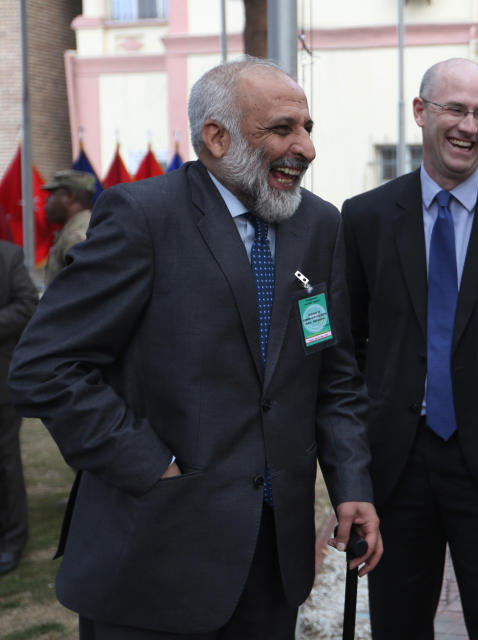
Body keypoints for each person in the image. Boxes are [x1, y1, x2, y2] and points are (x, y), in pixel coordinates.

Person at [8, 57, 382, 638]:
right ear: (217, 136)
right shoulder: (142, 217)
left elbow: (331, 373)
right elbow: (45, 368)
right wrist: (152, 465)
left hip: (271, 568)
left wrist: (352, 485)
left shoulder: (319, 226)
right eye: (283, 129)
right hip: (154, 554)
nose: (306, 148)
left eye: (308, 129)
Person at [341, 57, 478, 639]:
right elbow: (349, 343)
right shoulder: (363, 219)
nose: (469, 125)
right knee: (398, 627)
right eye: (455, 109)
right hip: (396, 466)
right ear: (420, 112)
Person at [0, 241, 38, 577]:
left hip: (1, 385)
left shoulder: (7, 256)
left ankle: (12, 541)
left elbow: (27, 305)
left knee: (6, 464)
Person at [41, 169, 96, 284]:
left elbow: (85, 286)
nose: (47, 199)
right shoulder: (82, 226)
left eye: (52, 194)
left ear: (70, 197)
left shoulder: (76, 235)